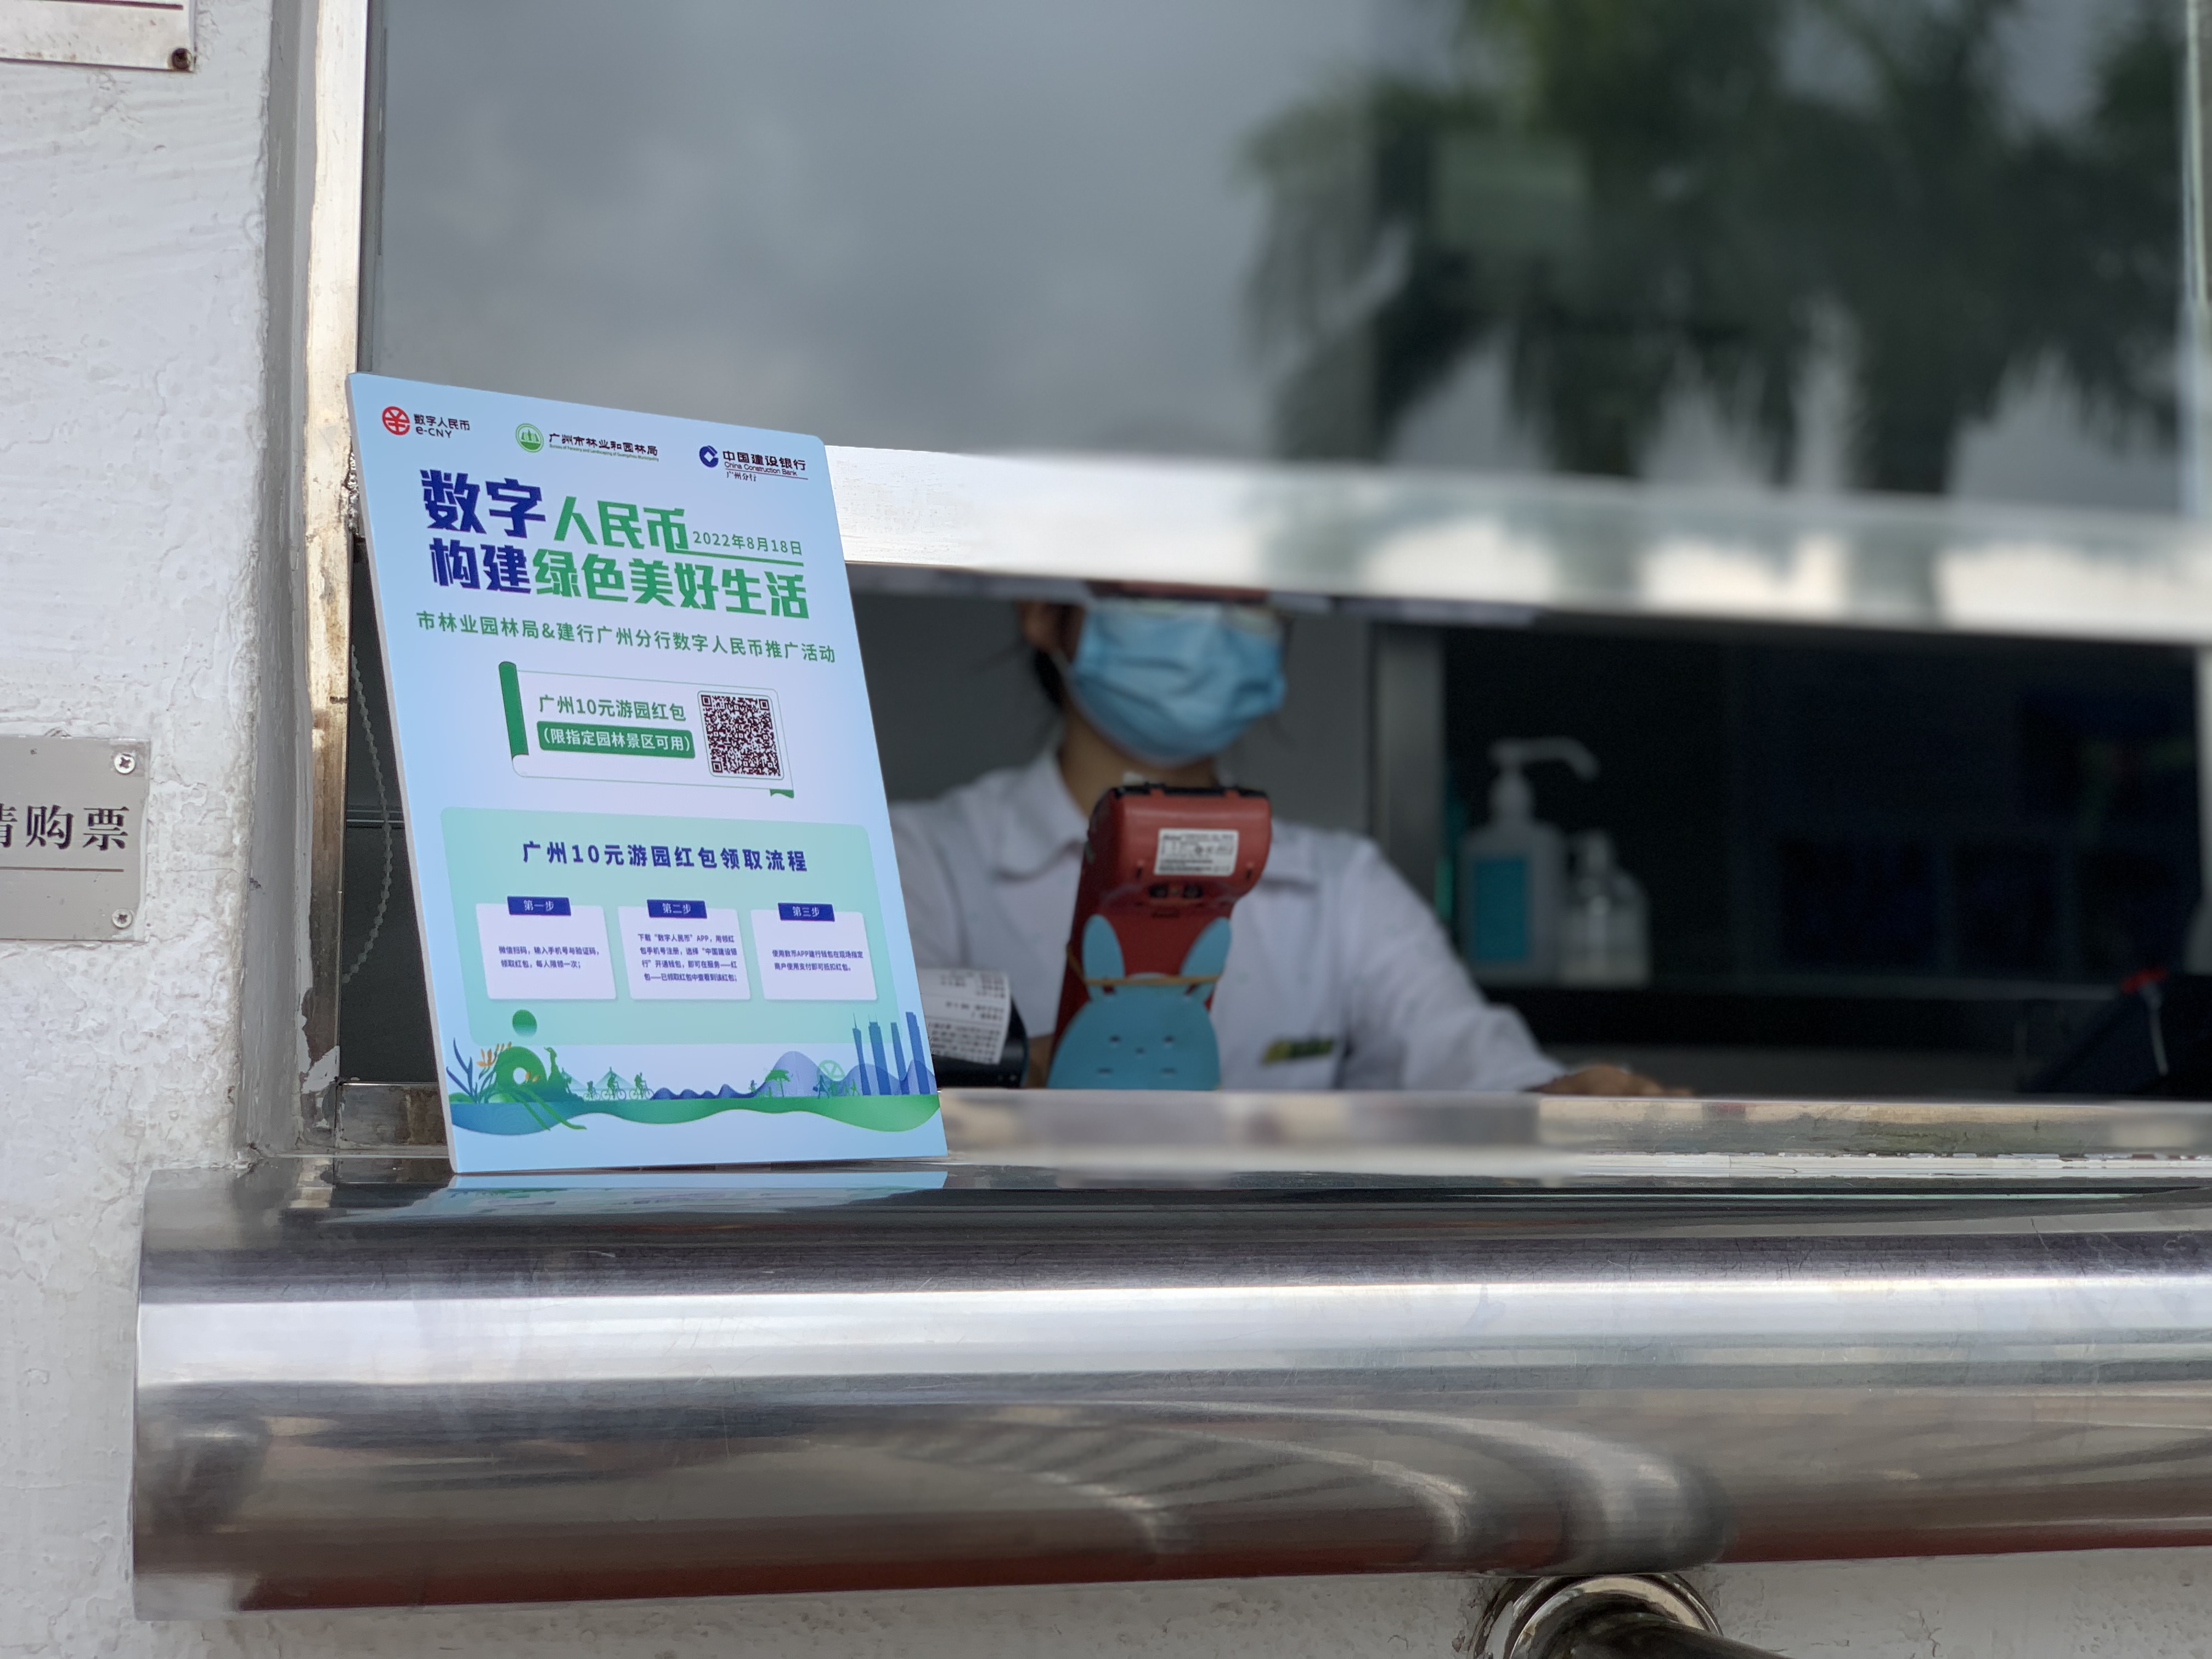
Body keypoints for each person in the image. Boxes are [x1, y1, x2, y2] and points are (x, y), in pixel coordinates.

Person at [890, 594, 1672, 1096]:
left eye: (1245, 596)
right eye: (1167, 586)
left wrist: (1559, 1105)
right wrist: (1035, 1067)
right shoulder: (920, 856)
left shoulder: (1341, 883)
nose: (1212, 616)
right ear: (1042, 608)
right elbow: (866, 1054)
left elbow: (1464, 1057)